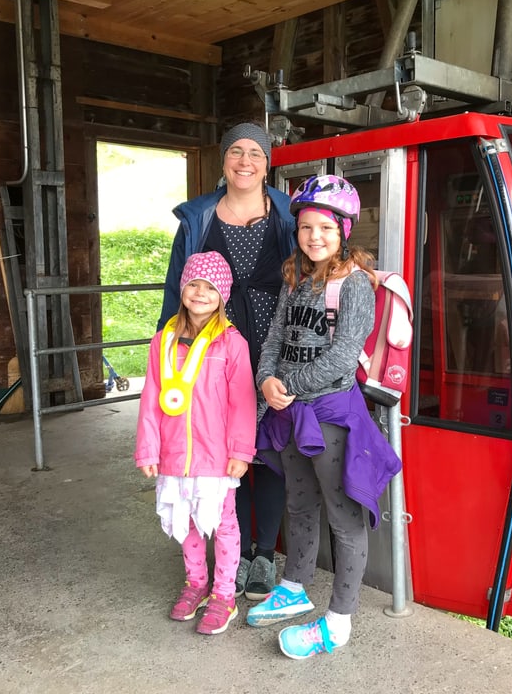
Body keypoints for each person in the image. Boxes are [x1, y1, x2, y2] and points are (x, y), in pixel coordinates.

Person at [245, 175, 402, 659]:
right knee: (299, 503)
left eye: (326, 229)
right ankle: (295, 586)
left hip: (330, 415)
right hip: (289, 412)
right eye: (306, 227)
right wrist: (265, 379)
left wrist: (285, 388)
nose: (314, 237)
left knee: (343, 515)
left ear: (344, 232)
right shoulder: (296, 277)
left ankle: (339, 620)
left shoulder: (353, 284)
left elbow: (342, 357)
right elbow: (274, 337)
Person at [157, 122, 295, 601]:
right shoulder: (197, 218)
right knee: (222, 446)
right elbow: (178, 285)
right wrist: (168, 348)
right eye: (235, 151)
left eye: (255, 153)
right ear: (223, 161)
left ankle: (261, 555)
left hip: (275, 339)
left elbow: (319, 263)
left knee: (269, 445)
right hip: (214, 344)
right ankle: (227, 554)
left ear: (267, 163)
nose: (245, 161)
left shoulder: (286, 212)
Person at [135, 251, 256, 635]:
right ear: (182, 288)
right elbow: (151, 397)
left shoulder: (232, 344)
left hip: (216, 457)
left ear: (223, 294)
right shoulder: (162, 341)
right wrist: (148, 448)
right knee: (184, 522)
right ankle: (195, 584)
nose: (200, 293)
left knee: (224, 525)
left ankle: (224, 594)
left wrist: (240, 451)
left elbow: (242, 403)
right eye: (193, 284)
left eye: (210, 287)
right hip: (173, 454)